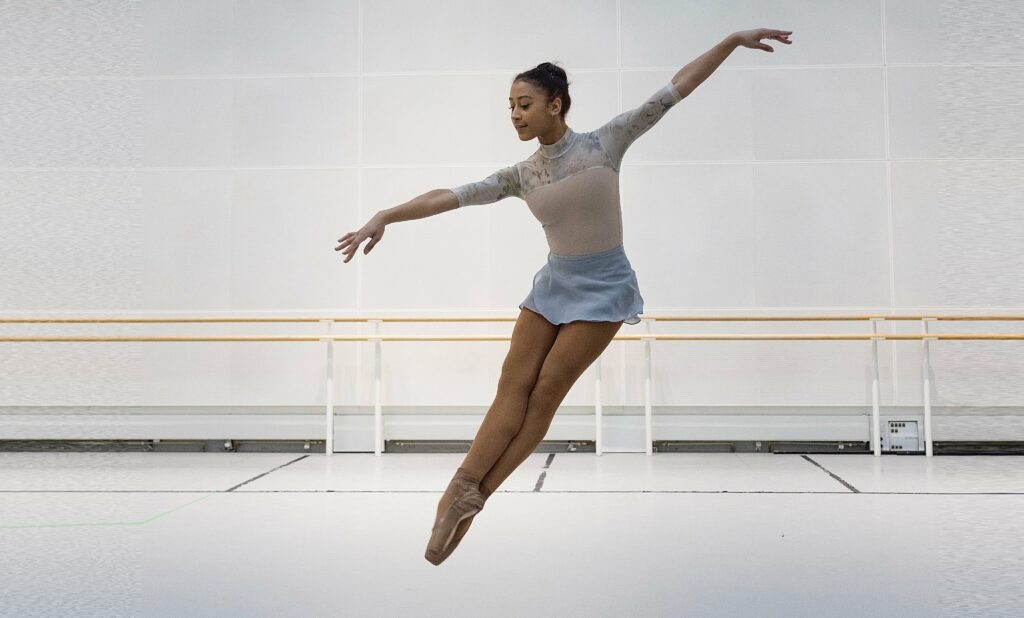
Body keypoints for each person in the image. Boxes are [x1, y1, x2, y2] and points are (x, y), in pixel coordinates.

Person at [335, 28, 793, 565]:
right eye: (510, 106)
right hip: (554, 285)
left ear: (556, 104)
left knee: (546, 392)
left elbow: (674, 90)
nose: (515, 115)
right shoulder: (522, 175)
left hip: (605, 287)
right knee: (512, 389)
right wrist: (386, 214)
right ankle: (457, 491)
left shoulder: (606, 143)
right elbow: (450, 196)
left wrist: (733, 40)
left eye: (524, 104)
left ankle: (478, 495)